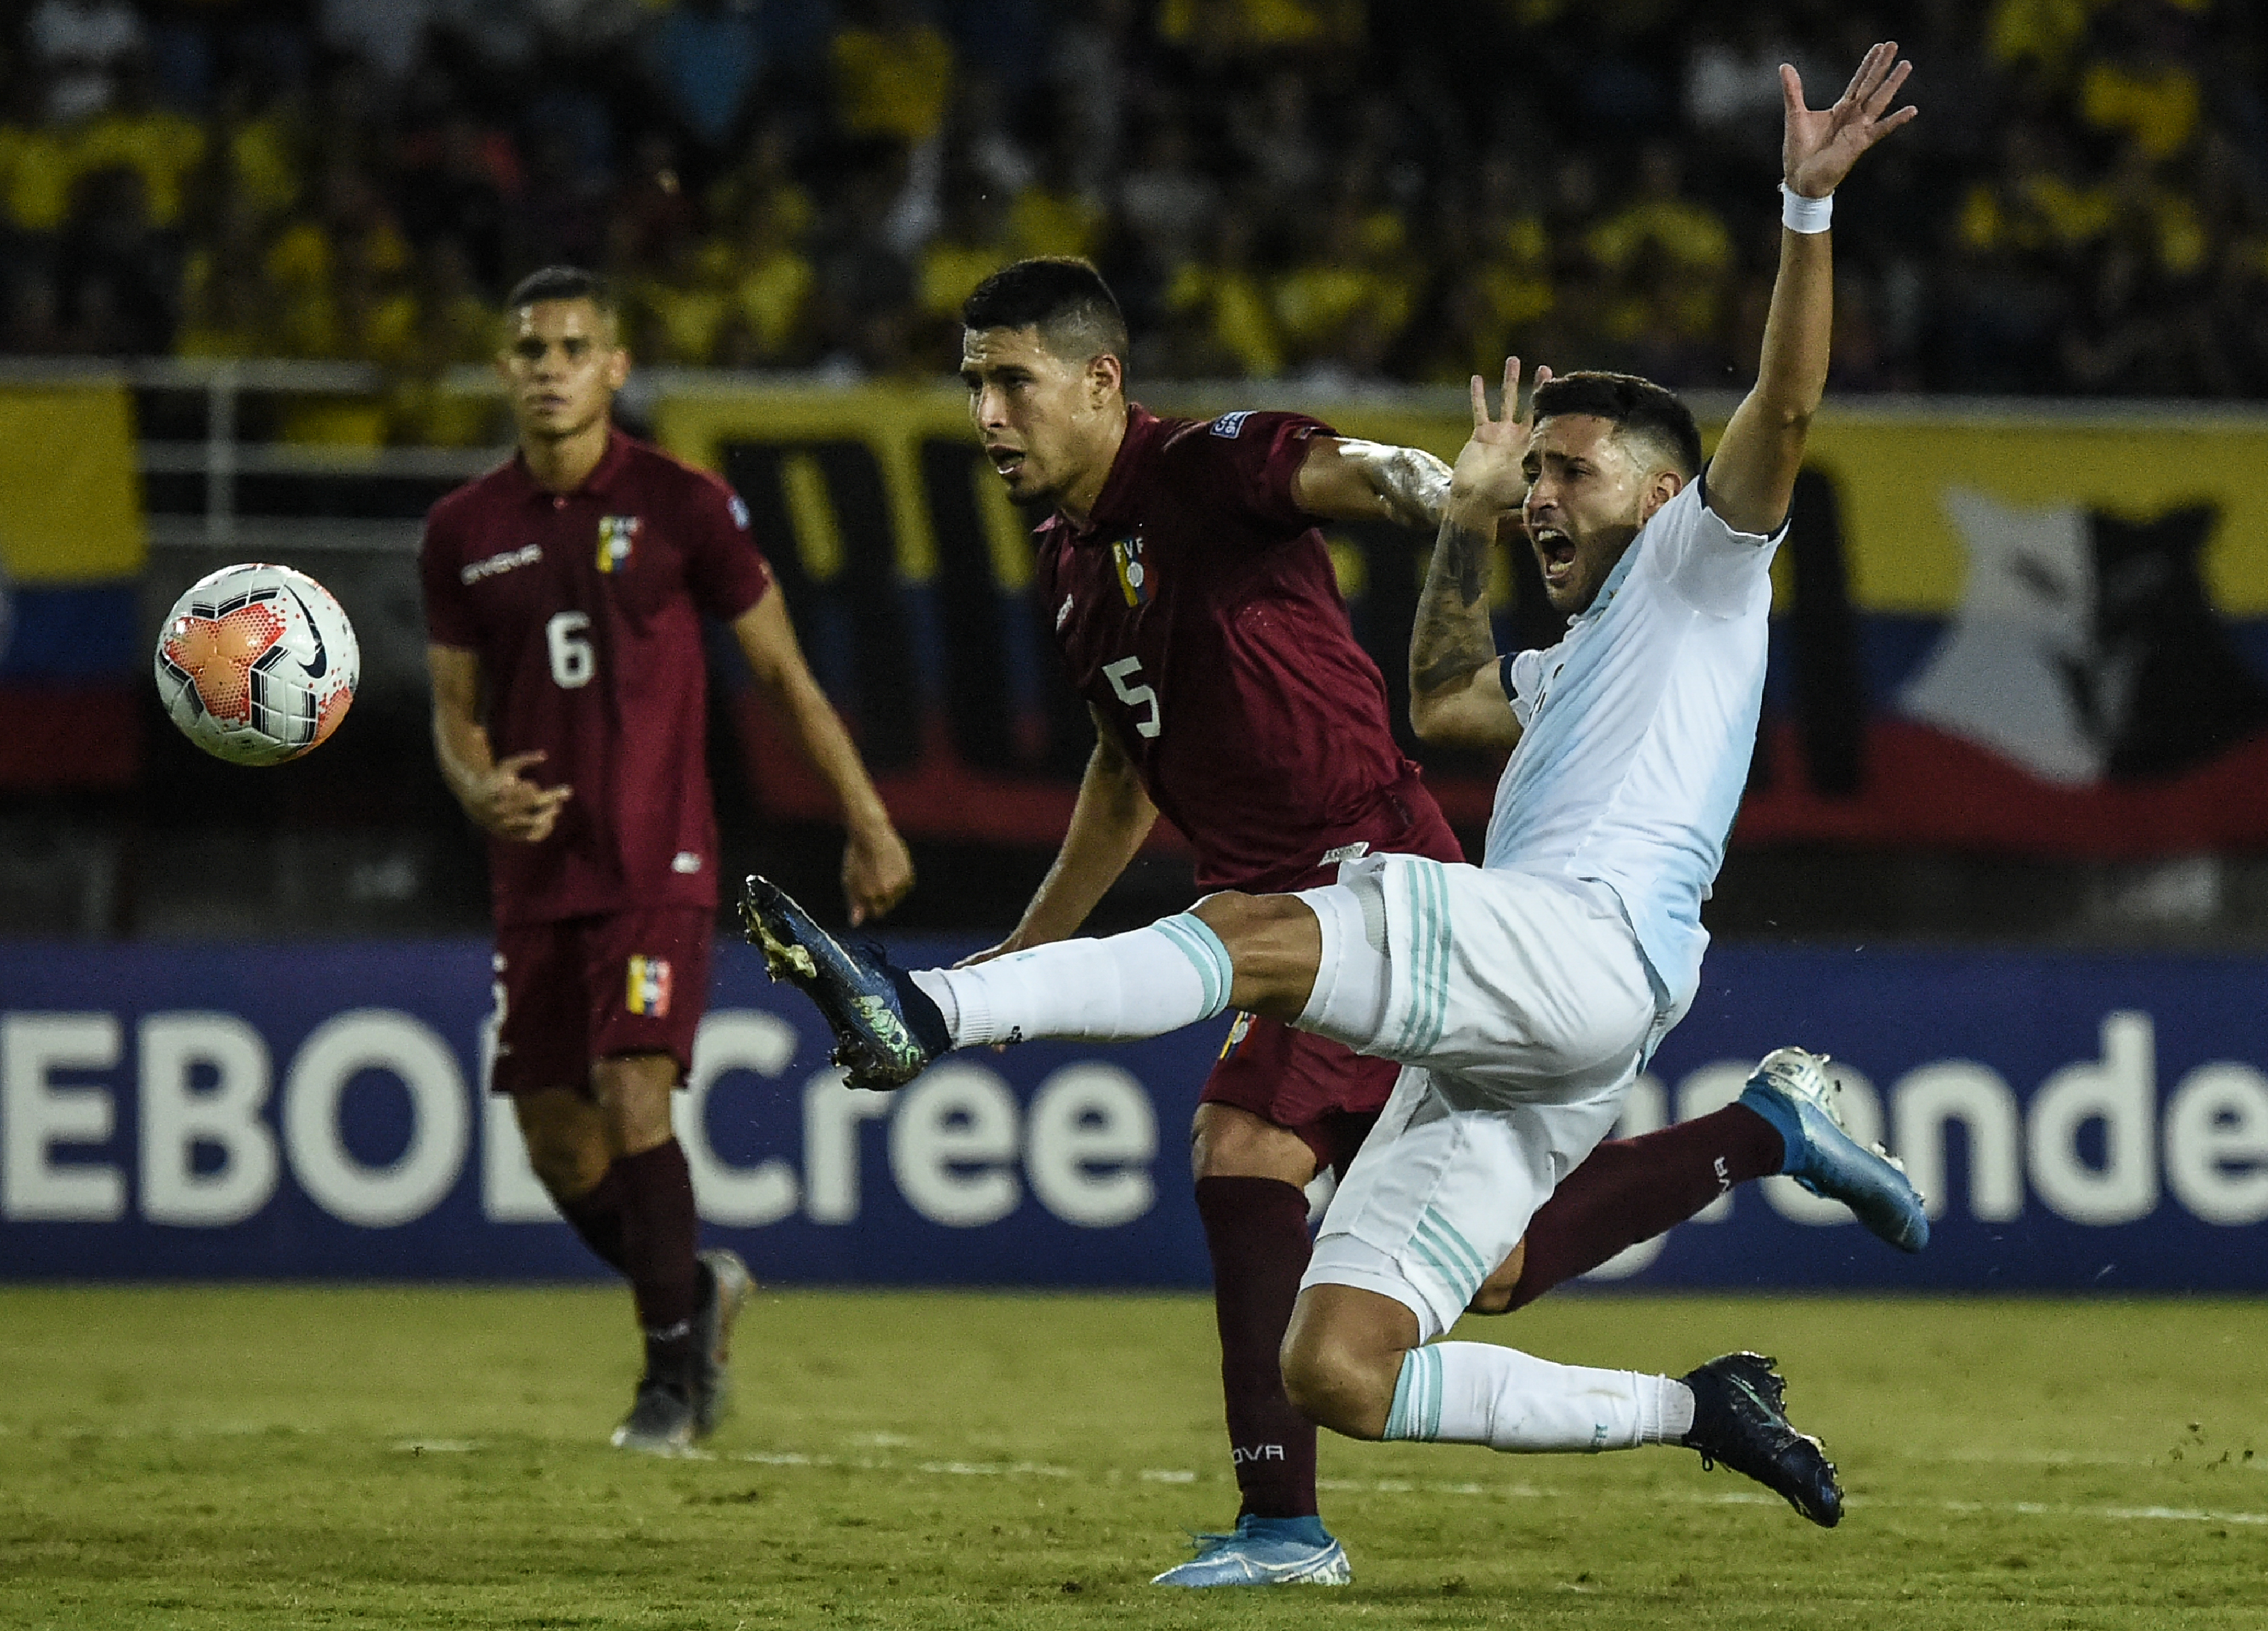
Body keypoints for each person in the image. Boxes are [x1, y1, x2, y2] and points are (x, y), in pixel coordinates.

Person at [748, 39, 1917, 1530]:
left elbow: (1788, 405)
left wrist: (1804, 212)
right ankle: (1707, 1401)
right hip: (1548, 1016)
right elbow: (1437, 697)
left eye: (1574, 470)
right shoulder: (1570, 666)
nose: (1546, 494)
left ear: (1668, 491)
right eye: (1536, 473)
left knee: (1256, 933)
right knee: (1341, 1364)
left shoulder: (1706, 563)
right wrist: (1470, 534)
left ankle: (922, 1010)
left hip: (1589, 946)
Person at [420, 265, 915, 1454]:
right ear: (505, 368)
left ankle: (666, 1388)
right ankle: (694, 1291)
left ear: (615, 367)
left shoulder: (685, 504)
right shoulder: (461, 531)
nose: (550, 368)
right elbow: (453, 711)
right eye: (531, 348)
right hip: (535, 877)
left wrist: (868, 817)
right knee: (554, 1137)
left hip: (657, 855)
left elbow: (787, 677)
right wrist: (476, 782)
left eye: (573, 347)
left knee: (636, 1090)